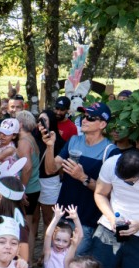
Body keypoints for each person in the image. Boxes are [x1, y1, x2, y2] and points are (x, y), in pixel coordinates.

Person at [43, 102, 120, 255]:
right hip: (62, 214)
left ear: (102, 124)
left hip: (86, 220)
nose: (84, 120)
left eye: (90, 118)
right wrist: (50, 147)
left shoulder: (111, 151)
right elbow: (50, 169)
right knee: (55, 260)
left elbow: (110, 192)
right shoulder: (73, 141)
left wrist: (82, 177)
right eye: (84, 116)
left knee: (74, 263)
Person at [15, 111, 41, 268]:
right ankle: (29, 261)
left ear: (21, 124)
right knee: (29, 225)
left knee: (24, 227)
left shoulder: (24, 141)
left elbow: (27, 167)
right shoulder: (31, 138)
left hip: (28, 189)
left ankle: (26, 261)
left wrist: (22, 188)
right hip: (34, 188)